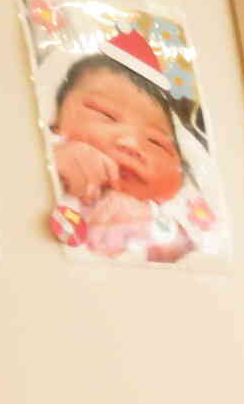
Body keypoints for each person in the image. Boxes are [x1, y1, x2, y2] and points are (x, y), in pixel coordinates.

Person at [48, 30, 210, 263]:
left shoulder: (173, 209)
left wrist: (155, 226)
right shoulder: (50, 149)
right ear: (54, 120)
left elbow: (204, 251)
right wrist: (50, 163)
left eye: (156, 143)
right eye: (105, 115)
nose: (132, 144)